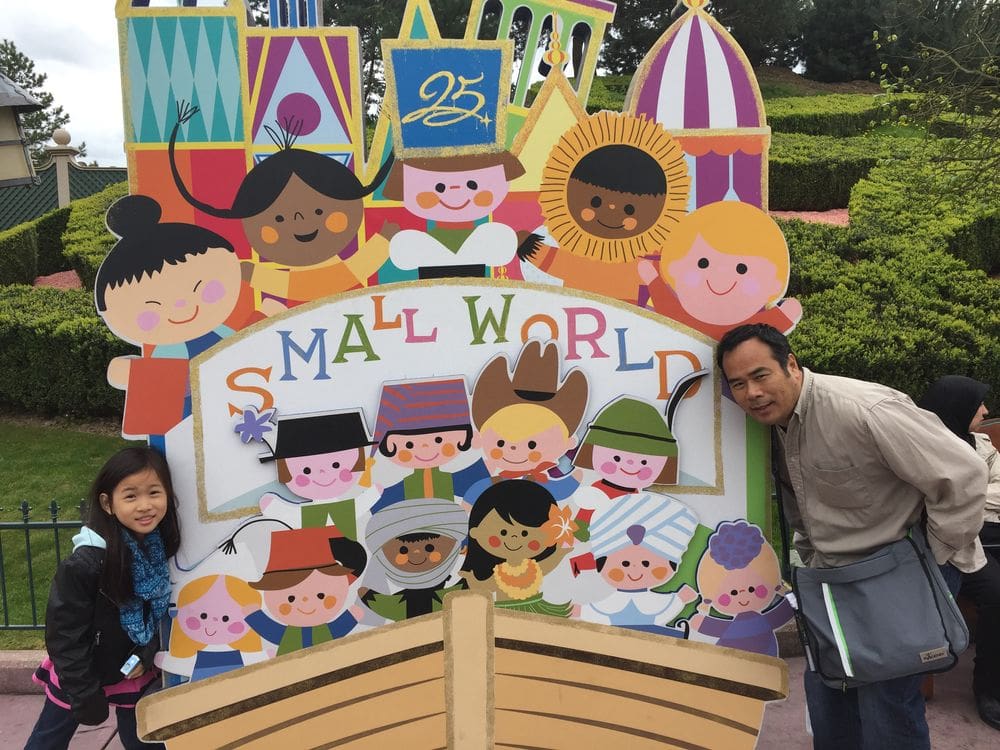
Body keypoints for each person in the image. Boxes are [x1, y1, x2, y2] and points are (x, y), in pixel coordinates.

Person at [716, 323, 987, 750]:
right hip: (832, 579)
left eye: (760, 375)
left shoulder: (864, 408)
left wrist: (931, 557)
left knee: (887, 707)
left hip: (899, 573)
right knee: (830, 691)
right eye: (738, 383)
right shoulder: (772, 426)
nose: (751, 392)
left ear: (790, 364)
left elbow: (965, 473)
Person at [25, 447, 181, 750]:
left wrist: (148, 653)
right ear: (108, 504)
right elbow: (64, 634)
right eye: (131, 496)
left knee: (144, 740)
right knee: (49, 739)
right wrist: (83, 691)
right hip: (82, 672)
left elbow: (158, 614)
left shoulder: (158, 551)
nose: (145, 506)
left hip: (130, 668)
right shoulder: (85, 564)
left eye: (154, 492)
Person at [919, 375, 1000, 730]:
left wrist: (972, 499)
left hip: (990, 531)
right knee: (997, 595)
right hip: (957, 546)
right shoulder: (923, 448)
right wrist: (976, 502)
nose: (985, 410)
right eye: (978, 404)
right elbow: (935, 505)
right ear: (957, 408)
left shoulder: (983, 443)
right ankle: (989, 689)